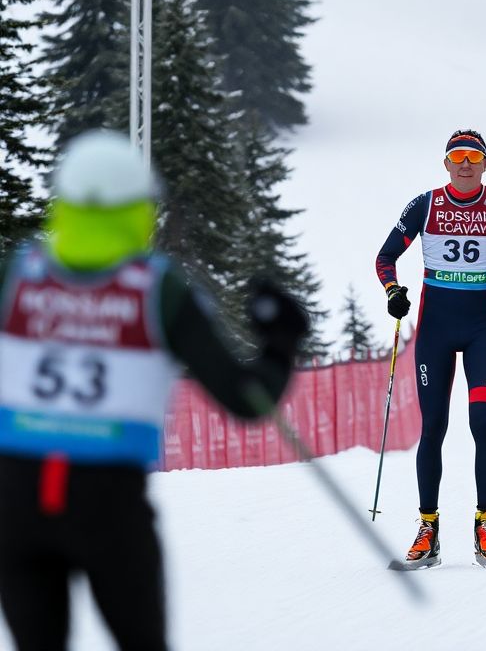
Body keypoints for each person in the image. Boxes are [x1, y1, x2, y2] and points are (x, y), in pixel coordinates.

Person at [0, 131, 308, 651]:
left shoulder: (17, 273)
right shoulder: (157, 288)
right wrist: (281, 339)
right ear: (139, 210)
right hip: (109, 504)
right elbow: (246, 399)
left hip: (16, 499)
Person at [375, 129, 486, 571]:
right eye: (457, 156)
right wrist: (393, 291)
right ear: (446, 164)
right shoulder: (424, 205)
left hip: (481, 332)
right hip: (435, 332)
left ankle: (484, 526)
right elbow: (385, 258)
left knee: (481, 421)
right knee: (433, 428)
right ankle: (428, 532)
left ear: (485, 165)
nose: (464, 164)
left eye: (473, 158)